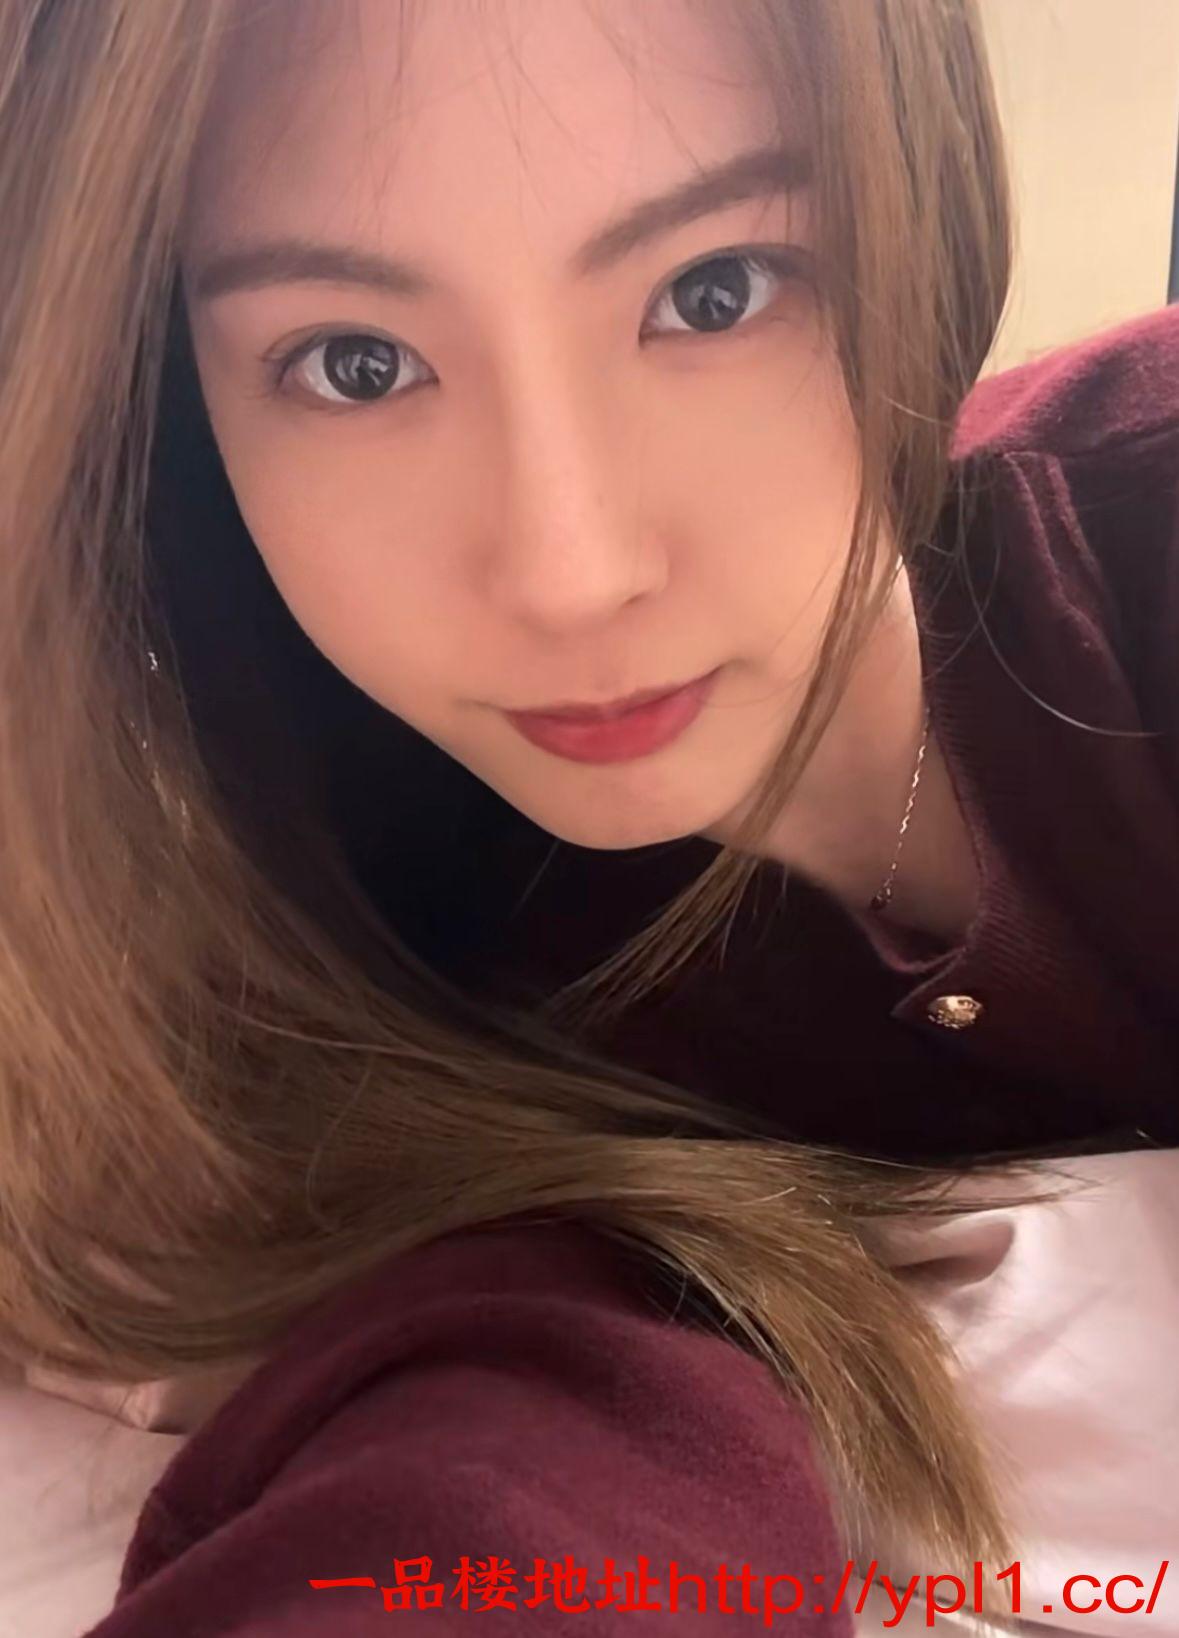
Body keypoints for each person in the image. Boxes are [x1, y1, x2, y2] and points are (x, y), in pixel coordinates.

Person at [0, 0, 1174, 1633]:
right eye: (356, 363)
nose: (571, 569)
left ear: (927, 219)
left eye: (716, 290)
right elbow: (509, 1466)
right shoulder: (383, 964)